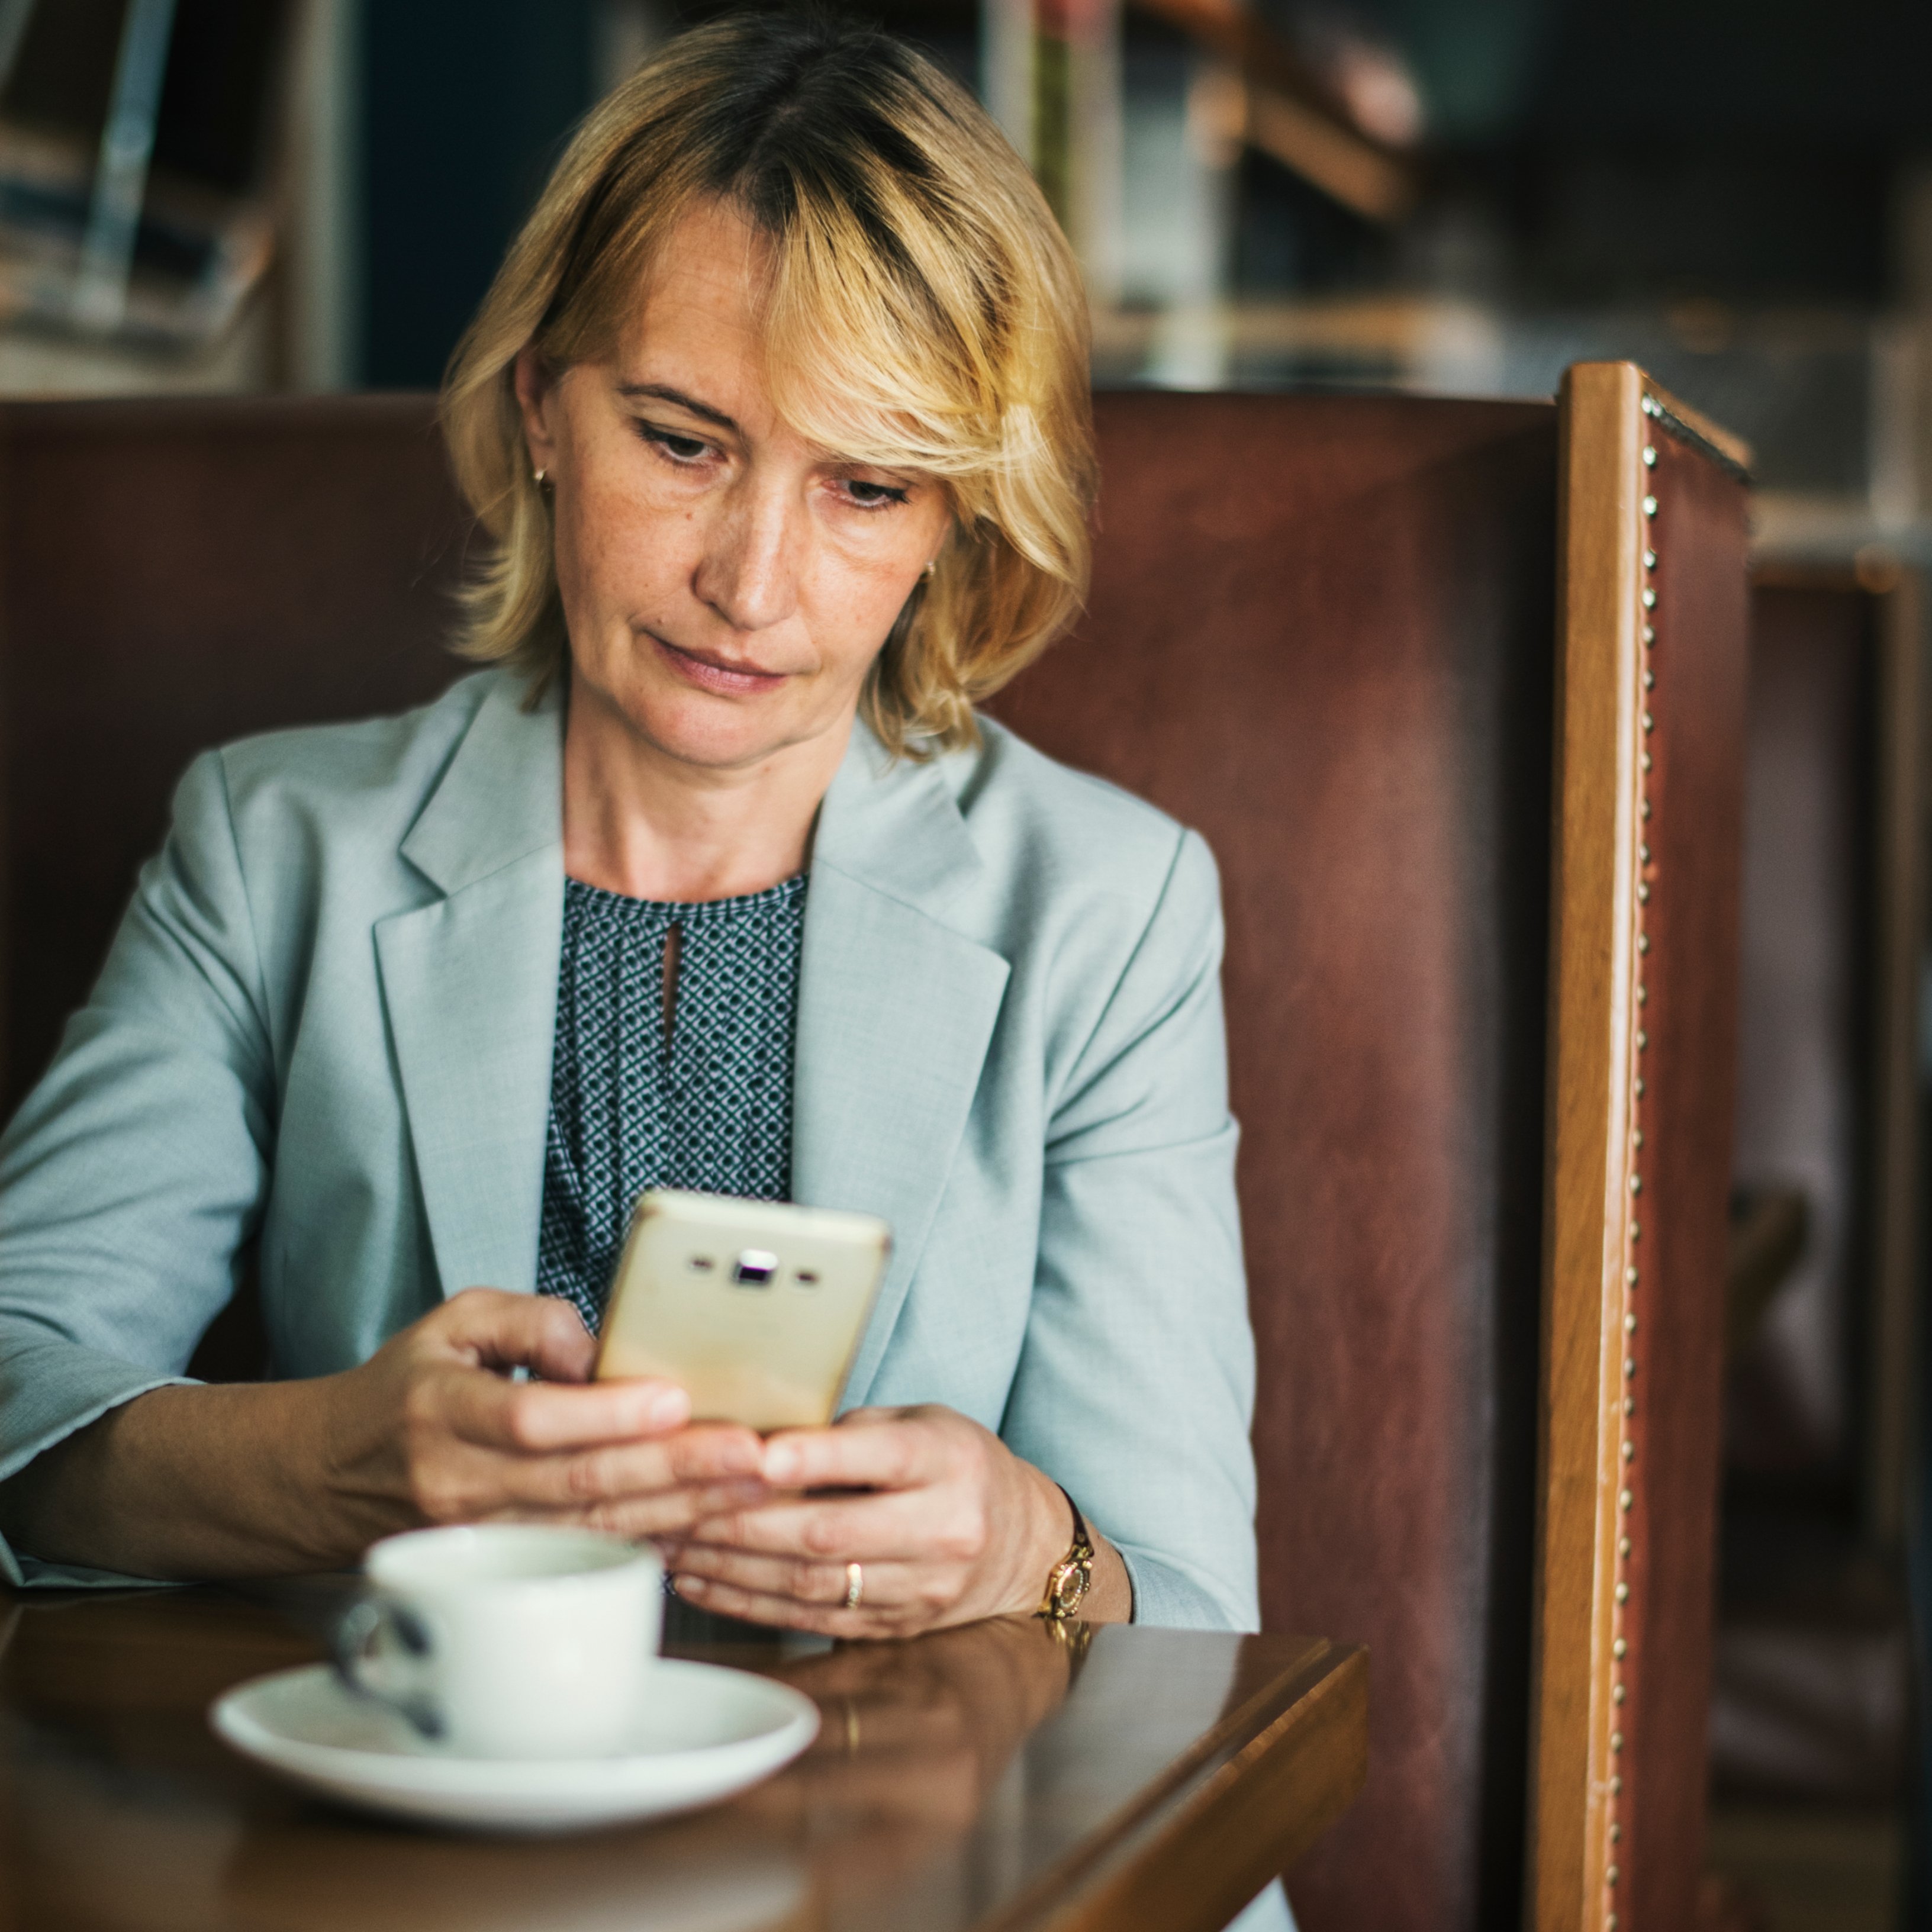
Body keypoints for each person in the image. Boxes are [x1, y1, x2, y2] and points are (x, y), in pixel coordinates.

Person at [0, 14, 1255, 1647]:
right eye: (682, 442)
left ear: (953, 522)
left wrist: (1034, 1549)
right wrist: (338, 1462)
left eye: (866, 487)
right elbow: (18, 1391)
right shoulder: (274, 849)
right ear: (539, 408)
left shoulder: (1109, 911)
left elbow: (1199, 1615)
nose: (750, 583)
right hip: (427, 1841)